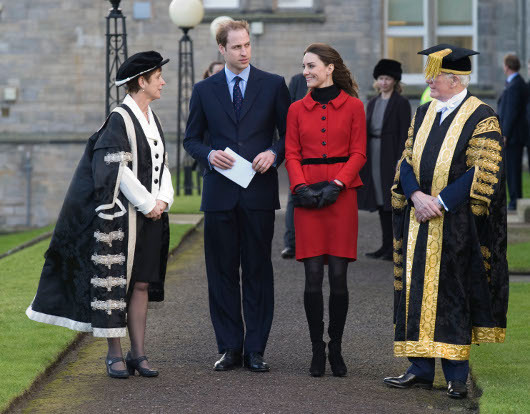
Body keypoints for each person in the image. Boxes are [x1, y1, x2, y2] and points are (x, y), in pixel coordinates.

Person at [26, 51, 175, 378]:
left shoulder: (153, 117)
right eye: (158, 77)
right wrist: (148, 204)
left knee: (140, 285)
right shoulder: (119, 119)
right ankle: (114, 354)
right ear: (141, 81)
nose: (163, 81)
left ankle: (139, 353)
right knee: (115, 286)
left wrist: (164, 199)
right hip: (122, 221)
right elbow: (115, 169)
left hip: (150, 217)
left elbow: (162, 164)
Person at [384, 44, 508, 399]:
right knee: (415, 288)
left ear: (456, 80)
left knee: (455, 290)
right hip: (418, 218)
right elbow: (406, 160)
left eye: (435, 75)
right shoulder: (423, 112)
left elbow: (482, 171)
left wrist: (439, 201)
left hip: (455, 222)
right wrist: (415, 196)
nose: (429, 81)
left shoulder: (481, 116)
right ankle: (419, 368)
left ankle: (456, 373)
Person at [183, 20, 291, 372]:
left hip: (259, 194)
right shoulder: (204, 90)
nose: (244, 52)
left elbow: (289, 136)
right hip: (219, 197)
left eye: (247, 45)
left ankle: (256, 349)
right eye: (236, 47)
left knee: (258, 271)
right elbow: (191, 139)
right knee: (221, 273)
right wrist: (209, 155)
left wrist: (274, 154)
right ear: (221, 49)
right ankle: (230, 348)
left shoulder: (274, 85)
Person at [285, 43, 366, 377]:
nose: (306, 72)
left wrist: (338, 184)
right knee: (312, 278)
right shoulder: (295, 110)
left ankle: (337, 347)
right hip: (307, 198)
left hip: (341, 197)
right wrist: (300, 187)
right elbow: (291, 152)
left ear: (330, 67)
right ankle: (317, 348)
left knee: (338, 278)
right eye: (304, 66)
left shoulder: (354, 107)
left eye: (311, 66)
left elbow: (359, 153)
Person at [358, 59, 411, 260]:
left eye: (387, 78)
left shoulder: (401, 103)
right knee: (380, 201)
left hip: (391, 153)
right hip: (374, 152)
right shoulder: (372, 102)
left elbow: (405, 133)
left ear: (395, 80)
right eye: (381, 78)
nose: (384, 82)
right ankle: (384, 245)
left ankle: (396, 247)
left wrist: (401, 158)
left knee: (393, 201)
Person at [281, 72, 308, 259]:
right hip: (299, 151)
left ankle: (315, 245)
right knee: (295, 195)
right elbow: (286, 115)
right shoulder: (298, 80)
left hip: (325, 153)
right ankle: (291, 243)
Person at [498, 54, 529, 210]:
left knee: (513, 169)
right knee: (511, 168)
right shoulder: (514, 83)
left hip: (513, 136)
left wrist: (505, 134)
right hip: (514, 135)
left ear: (507, 66)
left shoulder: (516, 84)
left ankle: (515, 200)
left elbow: (511, 112)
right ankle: (515, 199)